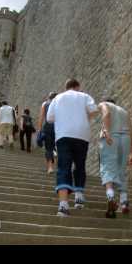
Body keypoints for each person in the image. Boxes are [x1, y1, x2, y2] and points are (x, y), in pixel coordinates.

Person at [46, 78, 99, 217]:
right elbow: (94, 111)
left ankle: (63, 206)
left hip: (63, 135)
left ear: (66, 87)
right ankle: (79, 196)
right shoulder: (84, 96)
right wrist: (83, 116)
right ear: (78, 86)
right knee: (80, 165)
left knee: (64, 167)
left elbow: (49, 118)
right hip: (82, 135)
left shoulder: (57, 98)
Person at [98, 98, 132, 218]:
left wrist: (106, 131)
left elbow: (107, 114)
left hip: (112, 136)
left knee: (107, 167)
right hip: (125, 138)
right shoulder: (124, 111)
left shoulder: (103, 104)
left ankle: (110, 197)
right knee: (121, 169)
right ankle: (124, 202)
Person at [37, 92, 58, 174]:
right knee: (58, 145)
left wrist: (39, 129)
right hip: (58, 127)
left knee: (48, 148)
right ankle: (56, 153)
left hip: (48, 127)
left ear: (49, 97)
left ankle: (50, 168)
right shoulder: (59, 103)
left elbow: (41, 117)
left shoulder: (45, 104)